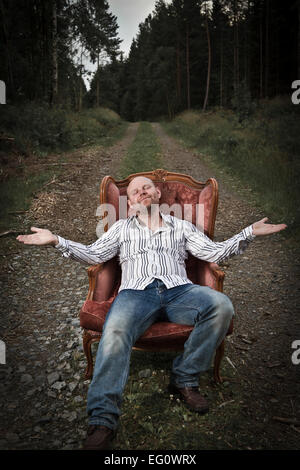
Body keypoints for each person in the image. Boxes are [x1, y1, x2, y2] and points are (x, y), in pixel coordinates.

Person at [16, 176, 287, 450]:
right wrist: (55, 241)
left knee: (221, 306)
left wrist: (248, 232)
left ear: (157, 193)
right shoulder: (121, 229)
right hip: (135, 293)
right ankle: (102, 419)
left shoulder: (182, 226)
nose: (141, 192)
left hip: (179, 291)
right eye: (135, 191)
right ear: (130, 202)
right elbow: (94, 254)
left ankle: (184, 377)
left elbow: (213, 252)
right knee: (115, 331)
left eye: (146, 187)